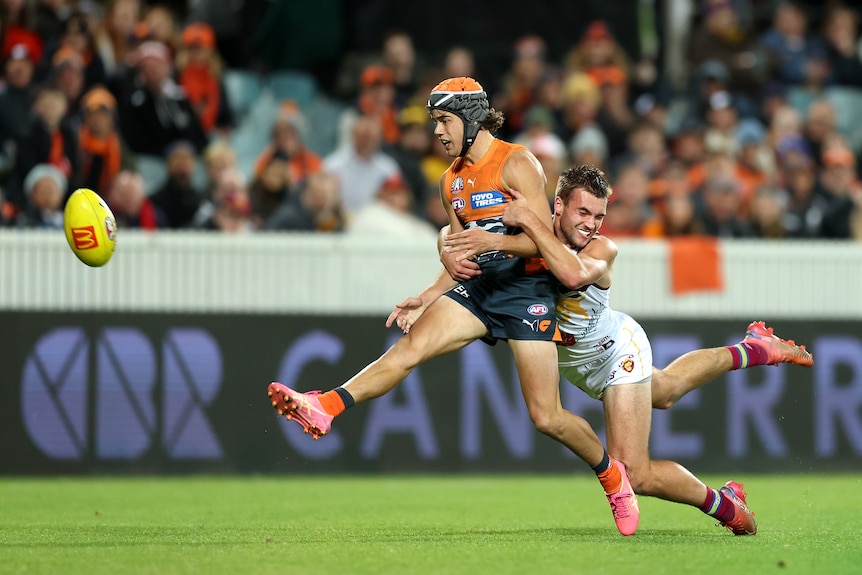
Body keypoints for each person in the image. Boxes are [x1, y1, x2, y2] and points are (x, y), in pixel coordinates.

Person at [268, 77, 640, 536]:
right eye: (435, 123)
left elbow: (543, 241)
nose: (438, 133)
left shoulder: (518, 163)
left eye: (444, 121)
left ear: (470, 118)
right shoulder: (451, 182)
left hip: (526, 293)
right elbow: (462, 254)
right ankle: (325, 404)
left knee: (547, 417)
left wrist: (491, 239)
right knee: (409, 348)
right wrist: (428, 294)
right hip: (481, 290)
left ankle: (612, 476)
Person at [439, 164, 815, 536]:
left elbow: (570, 274)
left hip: (615, 350)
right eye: (583, 211)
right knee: (666, 389)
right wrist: (441, 265)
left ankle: (726, 504)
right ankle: (754, 348)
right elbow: (463, 241)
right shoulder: (523, 237)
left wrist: (530, 224)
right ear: (558, 204)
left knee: (634, 472)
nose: (591, 224)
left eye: (599, 215)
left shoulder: (602, 247)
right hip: (581, 367)